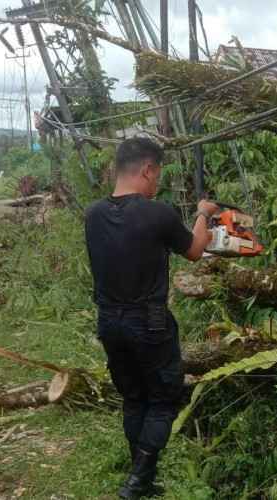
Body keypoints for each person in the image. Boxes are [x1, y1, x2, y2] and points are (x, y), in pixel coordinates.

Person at [85, 137, 217, 499]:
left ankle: (142, 479)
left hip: (109, 321)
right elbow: (194, 250)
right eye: (157, 174)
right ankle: (136, 481)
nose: (156, 182)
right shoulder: (156, 213)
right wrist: (204, 212)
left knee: (134, 399)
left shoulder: (93, 213)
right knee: (164, 399)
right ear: (146, 169)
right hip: (149, 321)